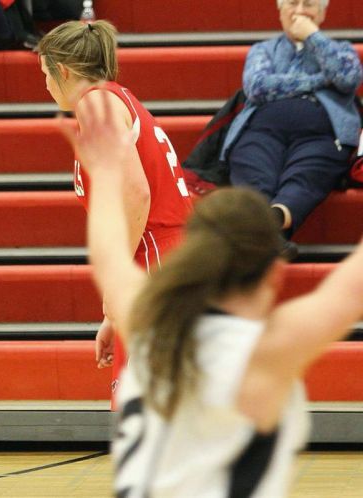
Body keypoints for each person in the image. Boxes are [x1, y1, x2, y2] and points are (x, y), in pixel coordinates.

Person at [60, 90, 363, 497]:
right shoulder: (267, 350)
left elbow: (109, 249)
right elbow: (348, 290)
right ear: (271, 273)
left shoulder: (142, 316)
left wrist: (105, 171)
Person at [36, 20, 192, 396]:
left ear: (63, 71)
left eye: (45, 74)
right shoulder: (115, 98)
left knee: (154, 409)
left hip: (155, 255)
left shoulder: (95, 104)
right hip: (164, 255)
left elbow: (136, 194)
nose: (45, 85)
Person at [221, 0, 362, 244]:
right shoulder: (263, 50)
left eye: (309, 4)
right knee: (254, 171)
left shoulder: (340, 49)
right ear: (280, 11)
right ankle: (274, 237)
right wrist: (320, 80)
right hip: (262, 129)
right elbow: (258, 87)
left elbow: (348, 78)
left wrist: (313, 37)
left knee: (307, 174)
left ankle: (269, 229)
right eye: (292, 3)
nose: (299, 11)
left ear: (322, 13)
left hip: (323, 134)